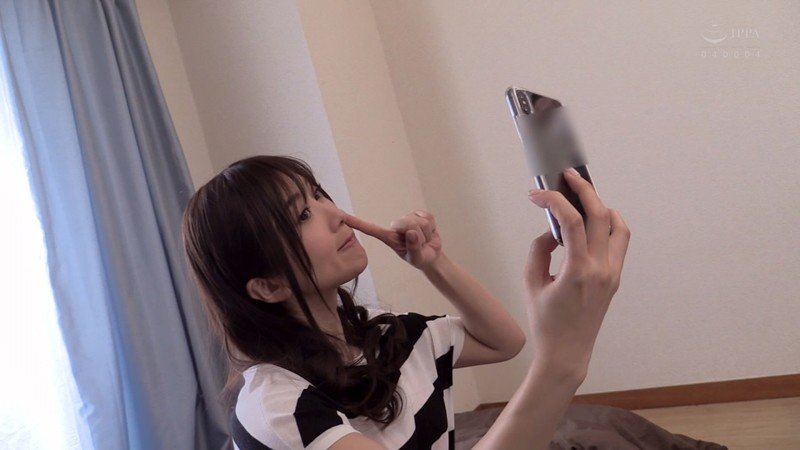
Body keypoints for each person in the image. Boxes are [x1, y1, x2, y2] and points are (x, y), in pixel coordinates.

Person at [182, 155, 630, 450]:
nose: (335, 213)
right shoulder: (276, 406)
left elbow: (503, 342)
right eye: (302, 215)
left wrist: (434, 263)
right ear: (268, 287)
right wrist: (562, 359)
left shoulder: (382, 333)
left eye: (318, 194)